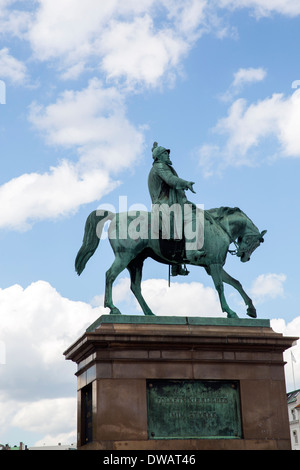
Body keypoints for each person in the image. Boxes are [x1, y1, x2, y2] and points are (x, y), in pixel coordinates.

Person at [148, 142, 205, 276]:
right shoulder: (160, 166)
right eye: (165, 154)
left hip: (168, 203)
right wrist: (185, 183)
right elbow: (171, 180)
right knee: (192, 218)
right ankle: (191, 251)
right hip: (165, 205)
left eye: (168, 154)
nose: (168, 156)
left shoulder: (160, 167)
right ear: (159, 157)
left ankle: (176, 265)